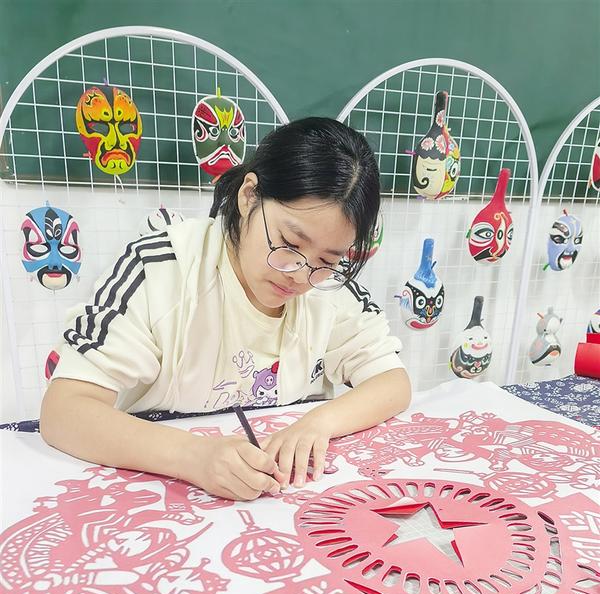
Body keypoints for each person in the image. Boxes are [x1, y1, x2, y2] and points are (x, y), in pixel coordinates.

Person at [40, 117, 411, 500]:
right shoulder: (164, 268)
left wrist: (318, 423)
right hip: (168, 493)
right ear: (249, 196)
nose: (300, 275)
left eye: (328, 260)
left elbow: (392, 381)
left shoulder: (327, 291)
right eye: (289, 243)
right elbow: (64, 411)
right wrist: (192, 457)